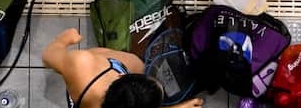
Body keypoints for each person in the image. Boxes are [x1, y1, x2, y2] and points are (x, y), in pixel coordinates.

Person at [43, 27, 203, 108]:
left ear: (120, 77)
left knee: (66, 67)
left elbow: (48, 55)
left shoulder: (81, 65)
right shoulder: (80, 65)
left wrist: (63, 40)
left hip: (85, 82)